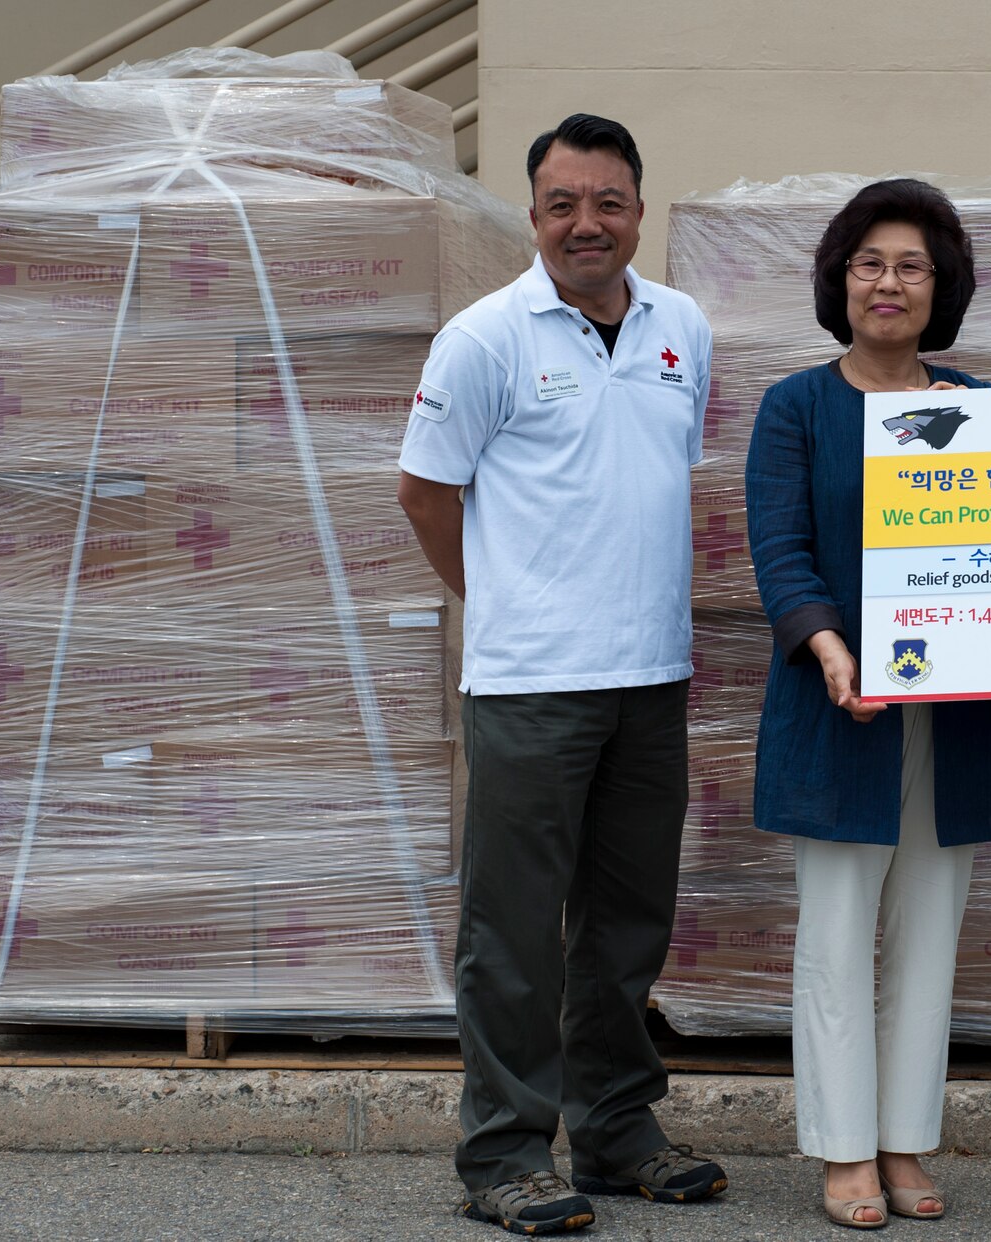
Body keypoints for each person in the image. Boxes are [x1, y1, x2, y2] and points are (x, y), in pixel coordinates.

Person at [398, 112, 727, 1236]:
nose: (586, 223)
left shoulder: (682, 326)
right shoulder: (483, 339)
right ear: (532, 215)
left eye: (608, 202)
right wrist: (495, 603)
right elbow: (424, 494)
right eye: (561, 204)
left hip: (650, 674)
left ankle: (617, 1132)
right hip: (531, 684)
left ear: (638, 206)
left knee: (628, 924)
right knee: (513, 928)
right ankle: (500, 1154)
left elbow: (653, 476)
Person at [744, 179, 991, 1230]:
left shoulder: (981, 410)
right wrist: (827, 648)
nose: (889, 282)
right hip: (838, 706)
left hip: (951, 719)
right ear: (838, 282)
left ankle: (903, 1141)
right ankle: (842, 1150)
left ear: (938, 285)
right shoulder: (797, 407)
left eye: (910, 264)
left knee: (928, 937)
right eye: (868, 263)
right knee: (837, 931)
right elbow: (780, 549)